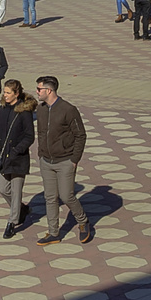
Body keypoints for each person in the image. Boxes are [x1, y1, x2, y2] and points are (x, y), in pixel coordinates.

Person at [33, 76, 92, 245]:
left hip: (65, 160)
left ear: (49, 91)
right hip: (46, 160)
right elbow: (42, 133)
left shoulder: (68, 109)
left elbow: (81, 135)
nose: (37, 92)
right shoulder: (42, 109)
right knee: (50, 197)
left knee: (67, 195)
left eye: (39, 89)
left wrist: (74, 159)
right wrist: (41, 153)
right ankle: (53, 233)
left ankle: (83, 221)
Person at [0, 78, 36, 240]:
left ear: (17, 94)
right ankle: (21, 210)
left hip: (18, 158)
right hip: (3, 156)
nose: (5, 95)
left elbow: (30, 136)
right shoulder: (2, 109)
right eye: (4, 92)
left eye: (8, 92)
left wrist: (16, 150)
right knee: (3, 189)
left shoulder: (24, 112)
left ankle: (12, 222)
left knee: (16, 192)